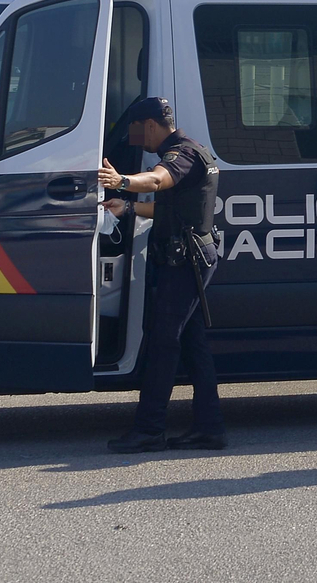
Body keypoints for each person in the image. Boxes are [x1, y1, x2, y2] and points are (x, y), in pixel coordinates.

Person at [98, 96, 226, 453]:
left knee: (162, 343)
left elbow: (158, 181)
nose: (136, 137)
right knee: (193, 343)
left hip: (185, 262)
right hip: (191, 257)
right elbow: (169, 204)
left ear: (149, 126)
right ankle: (209, 427)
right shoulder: (195, 151)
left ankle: (150, 429)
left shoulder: (180, 155)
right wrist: (127, 208)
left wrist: (122, 181)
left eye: (136, 130)